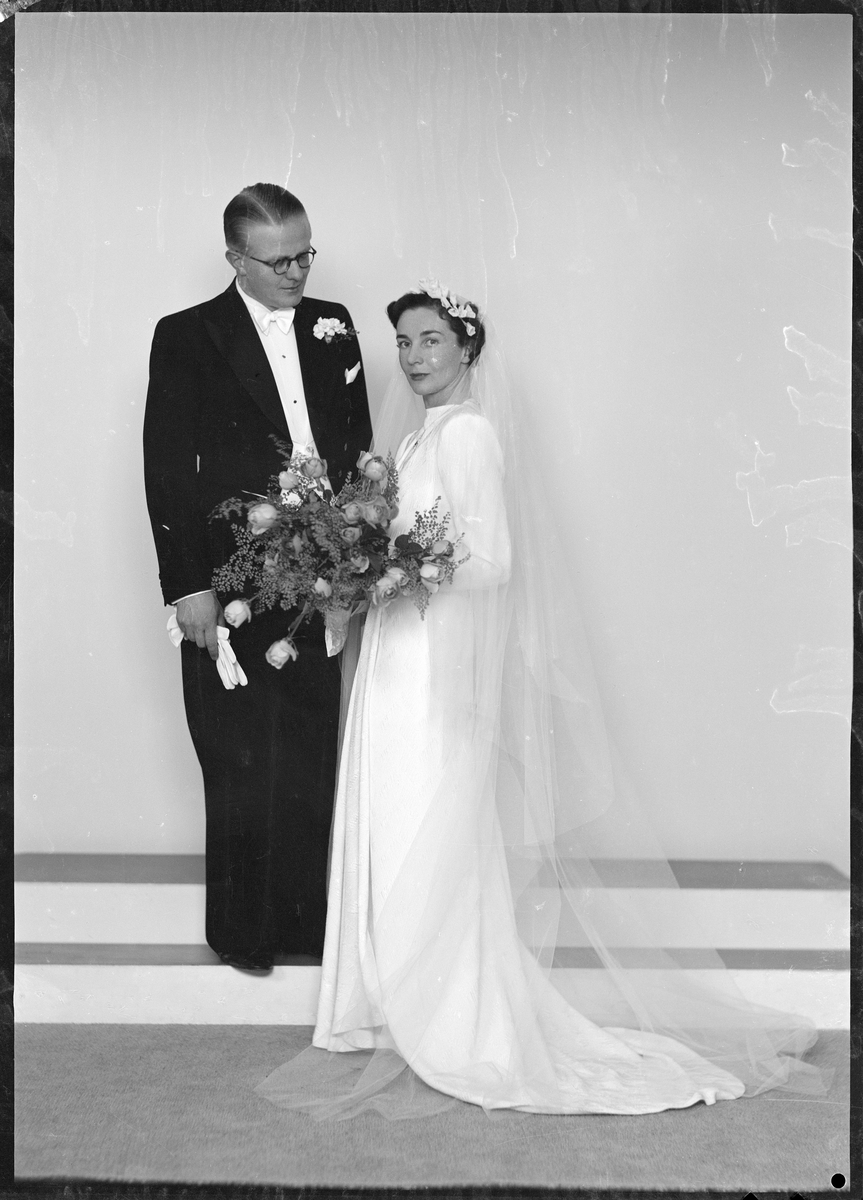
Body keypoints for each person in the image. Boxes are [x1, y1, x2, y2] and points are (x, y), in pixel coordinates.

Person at [257, 282, 824, 1115]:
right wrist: (356, 571)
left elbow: (492, 561)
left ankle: (448, 1011)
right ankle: (393, 1000)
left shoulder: (469, 433)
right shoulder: (412, 440)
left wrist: (392, 573)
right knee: (391, 812)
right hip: (395, 649)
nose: (413, 357)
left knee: (424, 817)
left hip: (433, 655)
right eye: (404, 343)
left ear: (466, 348)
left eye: (430, 340)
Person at [143, 184, 372, 974]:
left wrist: (353, 565)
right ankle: (243, 934)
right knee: (237, 753)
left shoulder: (334, 325)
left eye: (305, 254)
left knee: (310, 746)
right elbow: (166, 467)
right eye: (278, 261)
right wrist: (188, 586)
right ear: (235, 258)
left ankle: (307, 931)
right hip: (228, 573)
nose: (297, 272)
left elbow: (356, 450)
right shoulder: (186, 334)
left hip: (320, 572)